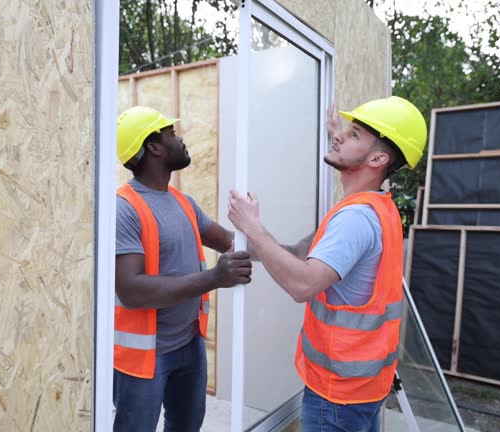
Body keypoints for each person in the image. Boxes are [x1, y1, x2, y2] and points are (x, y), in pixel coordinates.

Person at [227, 96, 427, 432]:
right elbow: (300, 253)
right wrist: (248, 243)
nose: (339, 136)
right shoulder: (377, 208)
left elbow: (303, 284)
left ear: (378, 158)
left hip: (337, 398)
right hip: (363, 390)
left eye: (354, 135)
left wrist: (252, 227)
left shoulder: (355, 219)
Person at [114, 106, 252, 432]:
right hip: (146, 356)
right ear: (154, 148)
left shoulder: (183, 202)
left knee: (186, 426)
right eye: (171, 134)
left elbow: (230, 242)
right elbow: (132, 291)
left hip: (189, 346)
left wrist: (290, 252)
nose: (180, 138)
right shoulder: (124, 208)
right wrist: (216, 277)